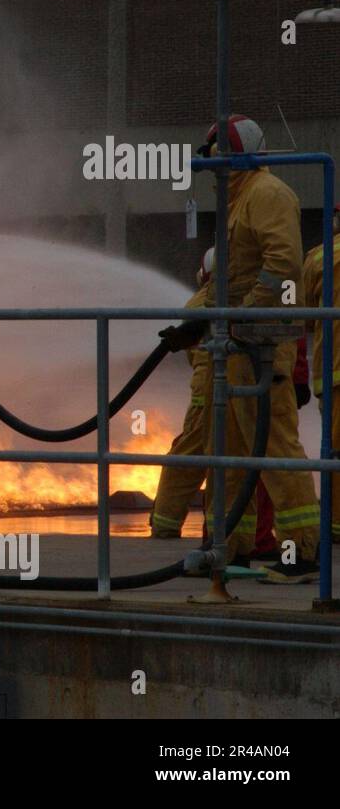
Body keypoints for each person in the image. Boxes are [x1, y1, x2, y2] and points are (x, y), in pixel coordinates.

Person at [183, 115, 321, 583]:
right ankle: (232, 548)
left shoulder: (267, 194)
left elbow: (281, 265)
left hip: (261, 345)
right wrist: (193, 319)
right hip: (237, 344)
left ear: (236, 154)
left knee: (275, 448)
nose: (213, 171)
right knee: (233, 452)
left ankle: (302, 553)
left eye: (219, 157)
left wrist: (246, 316)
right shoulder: (239, 201)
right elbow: (229, 277)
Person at [150, 249, 215, 540]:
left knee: (191, 456)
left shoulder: (202, 300)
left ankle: (166, 523)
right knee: (211, 457)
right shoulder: (221, 298)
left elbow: (192, 356)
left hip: (211, 388)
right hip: (217, 387)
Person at [300, 205, 340, 546]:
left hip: (336, 372)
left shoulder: (320, 258)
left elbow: (304, 315)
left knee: (337, 451)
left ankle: (337, 526)